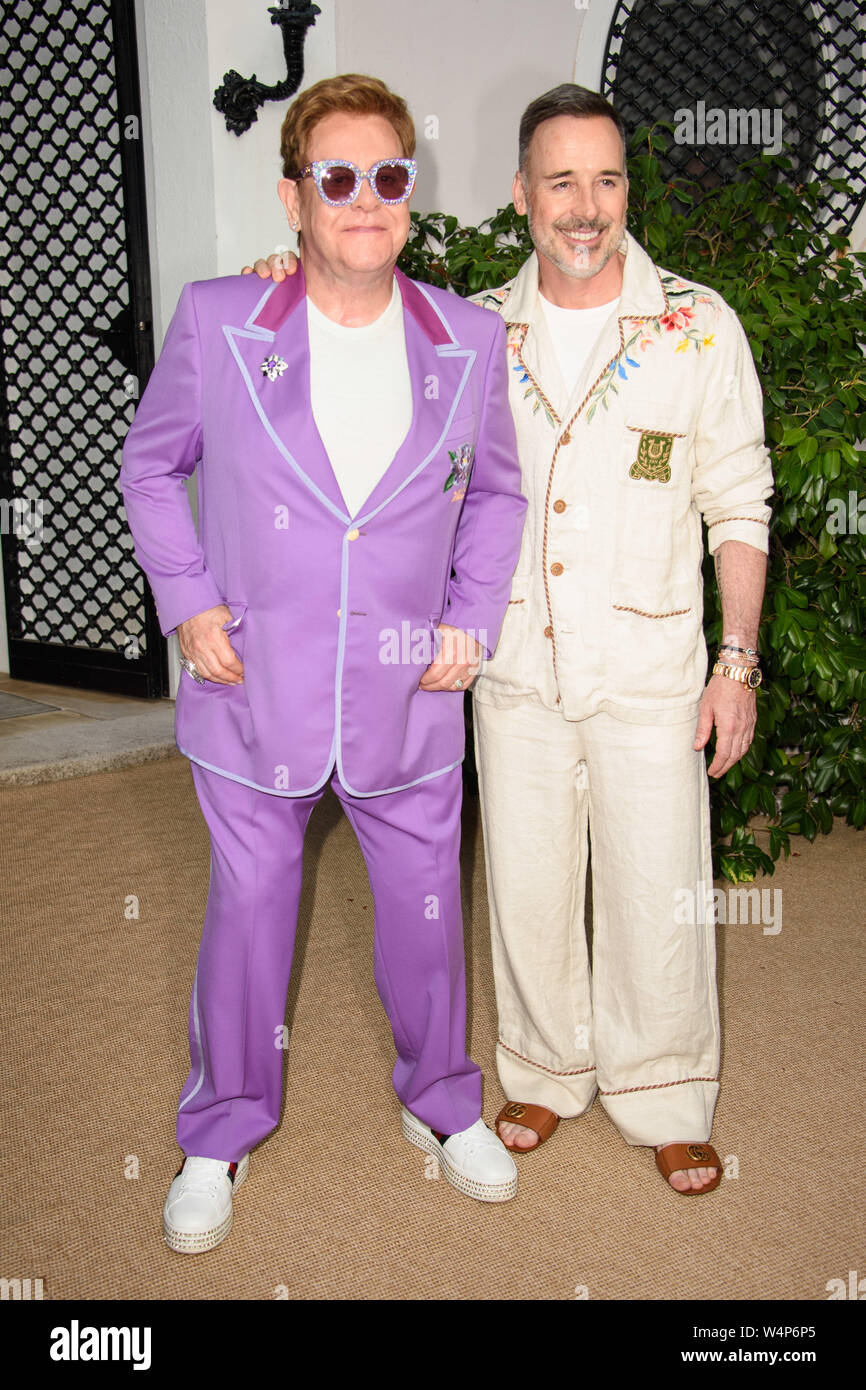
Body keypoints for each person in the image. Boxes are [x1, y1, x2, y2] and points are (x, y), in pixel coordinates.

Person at [248, 83, 773, 1196]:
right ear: (522, 196)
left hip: (651, 668)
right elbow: (349, 344)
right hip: (512, 667)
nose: (585, 206)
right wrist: (278, 282)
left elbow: (739, 504)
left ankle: (664, 1094)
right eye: (561, 181)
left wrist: (736, 661)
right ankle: (542, 1070)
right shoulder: (470, 328)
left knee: (654, 886)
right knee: (525, 883)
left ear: (628, 190)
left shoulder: (696, 323)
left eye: (607, 179)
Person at [121, 73, 527, 1254]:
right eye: (336, 177)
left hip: (411, 685)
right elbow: (153, 467)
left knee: (422, 908)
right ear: (294, 195)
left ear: (410, 194)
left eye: (387, 177)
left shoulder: (469, 335)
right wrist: (187, 604)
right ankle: (219, 1129)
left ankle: (443, 1102)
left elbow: (494, 493)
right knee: (248, 910)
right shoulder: (216, 319)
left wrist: (469, 615)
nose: (364, 199)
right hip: (254, 679)